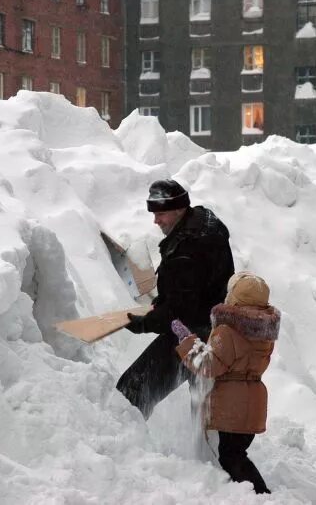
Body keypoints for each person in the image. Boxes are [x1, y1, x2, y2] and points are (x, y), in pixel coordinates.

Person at [116, 179, 234, 419]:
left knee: (131, 393)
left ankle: (123, 448)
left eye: (161, 214)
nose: (156, 220)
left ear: (179, 209)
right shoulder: (203, 221)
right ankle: (204, 450)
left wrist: (143, 323)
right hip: (214, 329)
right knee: (203, 406)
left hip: (191, 334)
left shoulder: (188, 246)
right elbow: (190, 287)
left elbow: (181, 309)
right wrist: (165, 300)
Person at [171, 272, 280, 495]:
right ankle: (243, 492)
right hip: (253, 402)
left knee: (231, 456)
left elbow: (208, 365)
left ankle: (260, 495)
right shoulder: (265, 333)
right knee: (235, 452)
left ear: (236, 298)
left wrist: (186, 342)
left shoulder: (228, 330)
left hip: (233, 405)